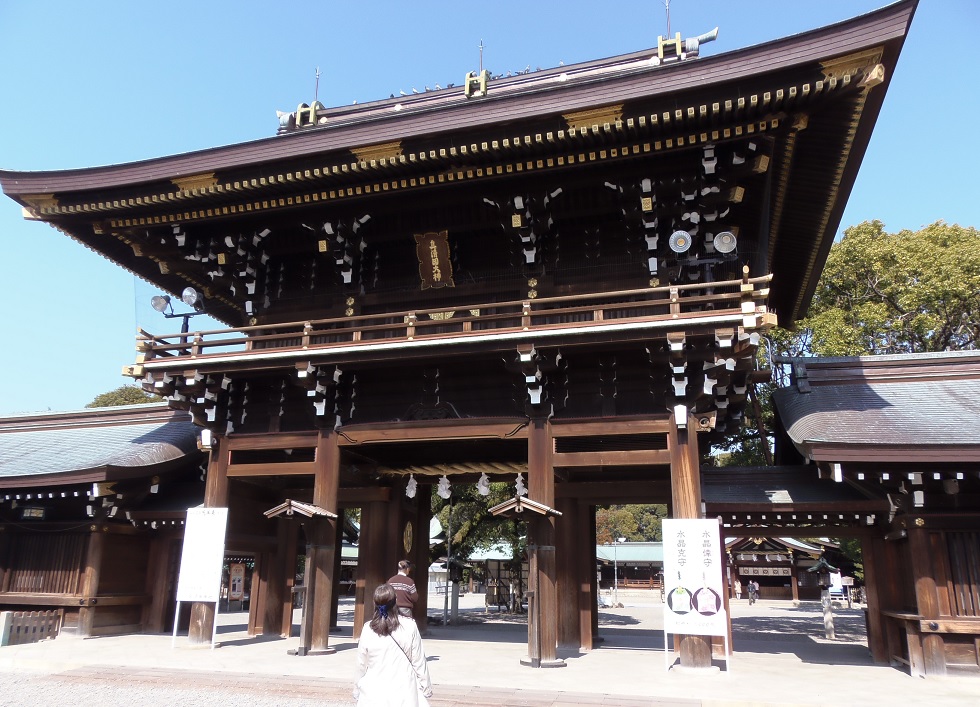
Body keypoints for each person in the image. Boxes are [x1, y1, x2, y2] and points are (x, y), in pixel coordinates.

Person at [354, 583, 433, 707]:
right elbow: (419, 660)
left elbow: (361, 663)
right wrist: (425, 686)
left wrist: (357, 687)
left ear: (375, 603)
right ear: (396, 601)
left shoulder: (368, 628)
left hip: (374, 688)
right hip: (404, 687)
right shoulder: (409, 626)